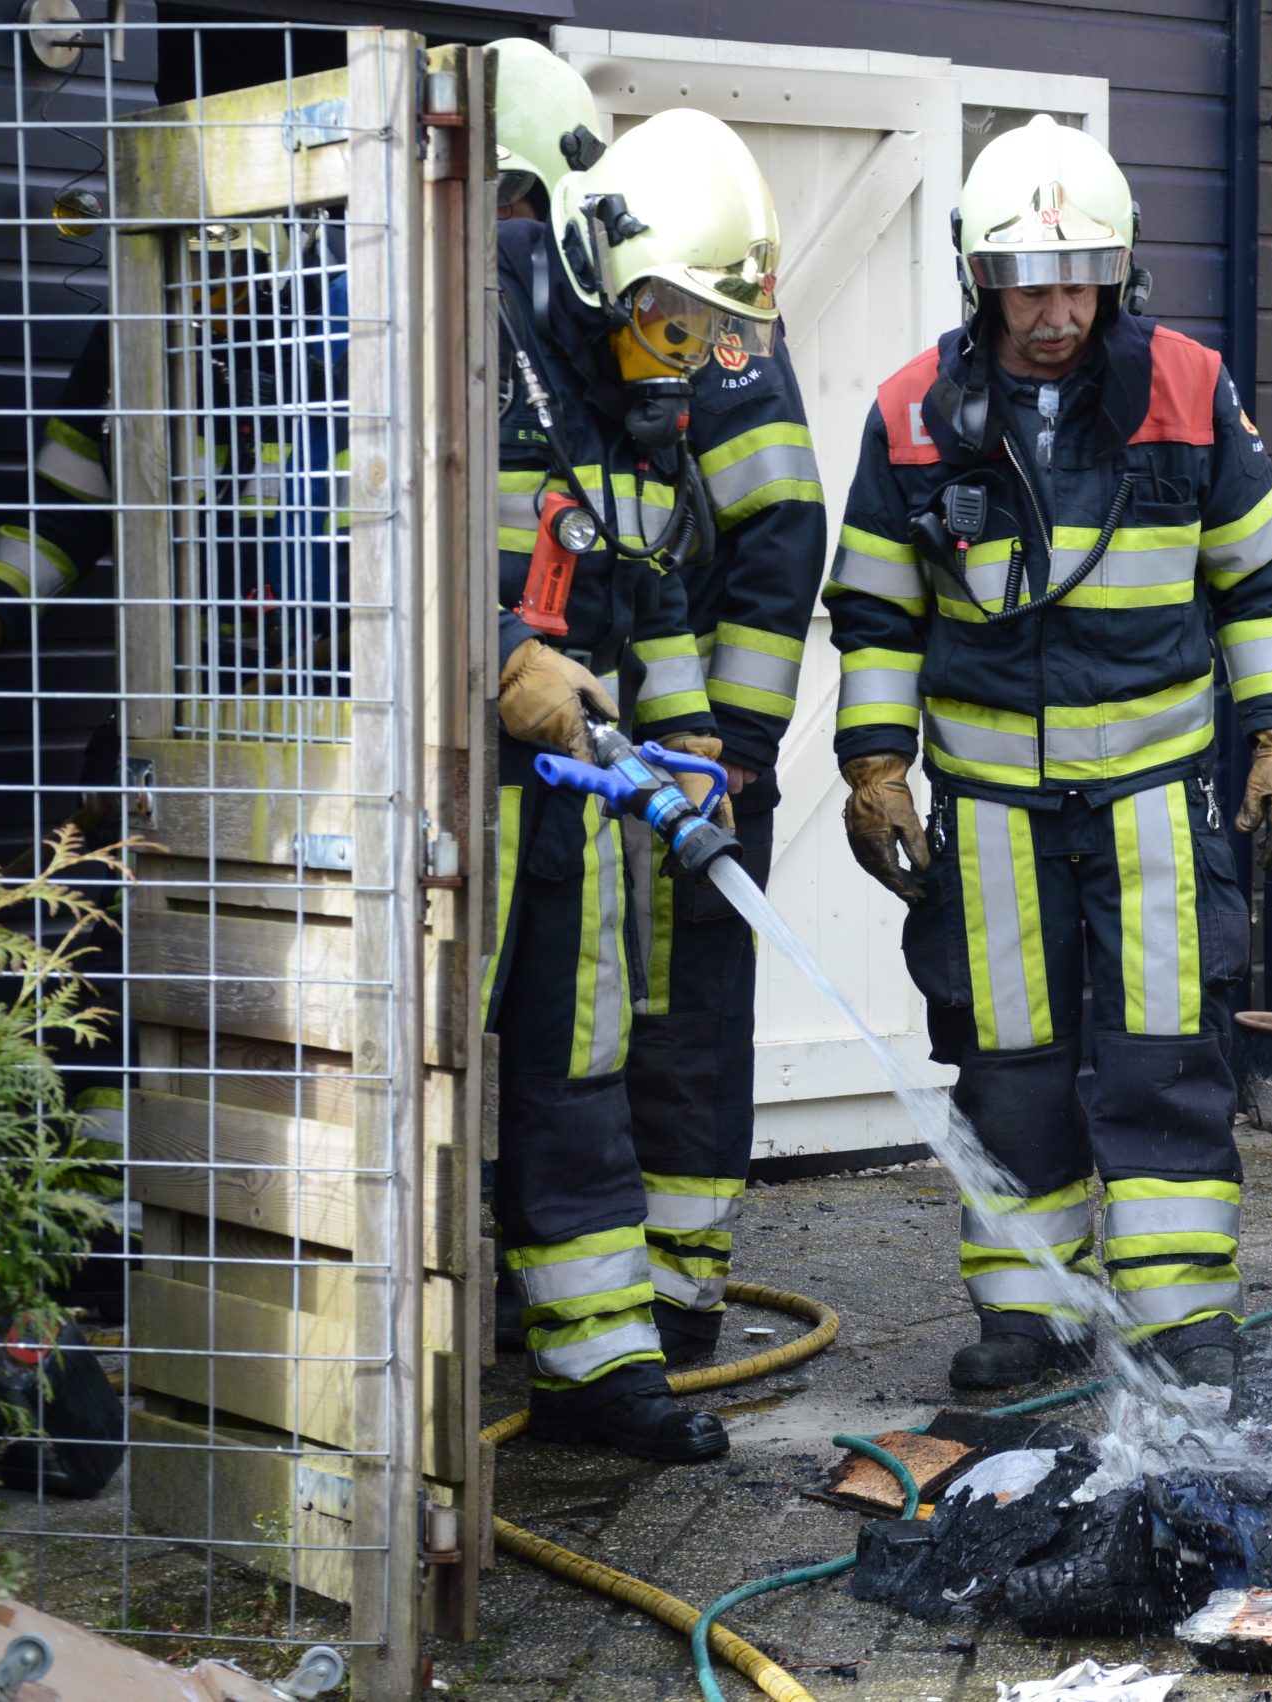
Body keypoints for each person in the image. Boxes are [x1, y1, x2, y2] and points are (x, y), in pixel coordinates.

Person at [826, 116, 1272, 1394]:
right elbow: (877, 614)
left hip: (1154, 800)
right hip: (993, 809)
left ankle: (1180, 1316)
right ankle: (1027, 1313)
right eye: (1027, 284)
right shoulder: (911, 413)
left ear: (1120, 270)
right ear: (978, 277)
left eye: (1080, 280)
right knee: (1010, 1070)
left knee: (1166, 1058)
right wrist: (874, 765)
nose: (1056, 312)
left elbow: (1257, 583)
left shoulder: (1190, 388)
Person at [490, 39, 829, 1370]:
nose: (691, 356)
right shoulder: (499, 332)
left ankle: (634, 1333)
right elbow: (369, 545)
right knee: (504, 1066)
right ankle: (536, 1330)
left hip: (626, 781)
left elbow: (678, 577)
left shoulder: (666, 360)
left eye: (709, 332)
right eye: (675, 325)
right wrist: (502, 654)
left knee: (621, 1055)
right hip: (494, 773)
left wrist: (709, 745)